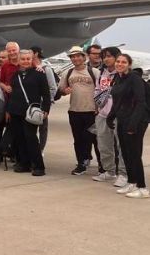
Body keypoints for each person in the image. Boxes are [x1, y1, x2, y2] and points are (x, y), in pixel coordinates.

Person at [108, 54, 149, 198]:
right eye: (118, 61)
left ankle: (142, 187)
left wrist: (133, 124)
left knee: (134, 154)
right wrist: (111, 115)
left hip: (136, 121)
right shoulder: (118, 78)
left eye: (123, 62)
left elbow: (141, 103)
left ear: (129, 64)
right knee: (125, 152)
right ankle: (131, 182)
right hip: (123, 119)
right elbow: (117, 100)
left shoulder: (135, 79)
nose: (120, 64)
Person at [6, 50, 50, 177]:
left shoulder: (39, 74)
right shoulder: (15, 75)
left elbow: (46, 94)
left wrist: (46, 109)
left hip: (31, 111)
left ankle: (38, 166)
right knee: (20, 138)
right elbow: (12, 94)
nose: (26, 61)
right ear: (19, 61)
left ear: (32, 60)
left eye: (28, 59)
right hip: (15, 111)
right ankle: (24, 163)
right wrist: (8, 110)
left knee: (31, 138)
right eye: (23, 59)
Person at [59, 46, 101, 176]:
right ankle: (81, 163)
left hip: (91, 111)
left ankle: (103, 165)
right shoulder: (68, 73)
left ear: (84, 57)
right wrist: (64, 91)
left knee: (95, 139)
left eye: (78, 56)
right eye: (73, 56)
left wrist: (98, 107)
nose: (75, 58)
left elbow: (102, 91)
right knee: (78, 139)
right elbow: (61, 89)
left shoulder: (94, 72)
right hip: (75, 111)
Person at [93, 47, 127, 186]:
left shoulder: (124, 75)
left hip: (120, 115)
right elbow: (97, 90)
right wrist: (97, 105)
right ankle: (109, 171)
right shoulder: (102, 73)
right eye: (104, 56)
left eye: (109, 56)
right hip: (103, 114)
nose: (106, 59)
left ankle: (124, 174)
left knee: (123, 145)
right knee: (104, 144)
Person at [31, 46, 57, 153]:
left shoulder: (46, 69)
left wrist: (47, 102)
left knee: (42, 128)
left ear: (36, 54)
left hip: (42, 104)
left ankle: (41, 149)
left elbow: (53, 87)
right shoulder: (30, 68)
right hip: (32, 103)